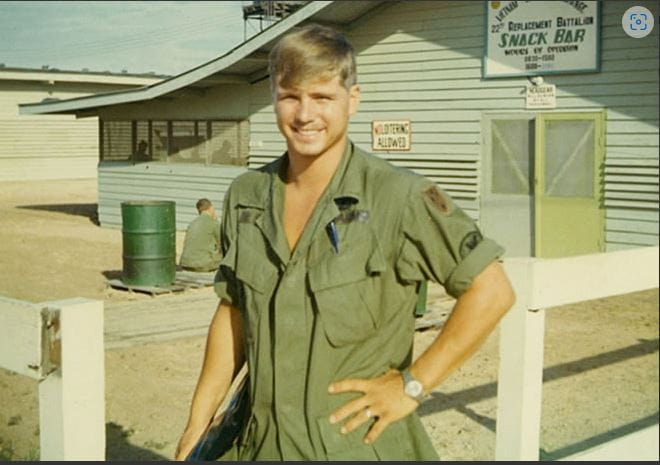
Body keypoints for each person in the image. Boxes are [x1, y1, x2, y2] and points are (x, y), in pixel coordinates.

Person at [175, 24, 515, 461]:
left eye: (323, 97)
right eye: (290, 96)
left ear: (352, 100)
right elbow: (233, 312)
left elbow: (492, 291)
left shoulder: (398, 197)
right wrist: (198, 422)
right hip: (261, 443)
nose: (305, 114)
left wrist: (412, 385)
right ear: (273, 97)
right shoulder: (247, 196)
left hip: (352, 445)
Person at [179, 198, 222, 272]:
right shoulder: (214, 223)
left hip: (185, 263)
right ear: (211, 208)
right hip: (203, 265)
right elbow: (221, 243)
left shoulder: (192, 223)